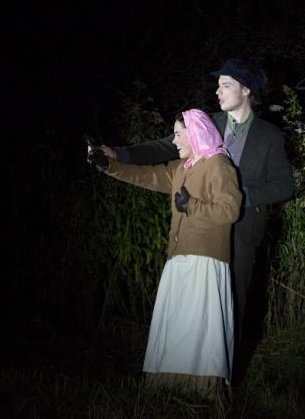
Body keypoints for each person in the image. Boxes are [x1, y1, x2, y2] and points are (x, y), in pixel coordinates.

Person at [105, 58, 294, 372]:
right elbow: (167, 146)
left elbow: (284, 185)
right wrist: (120, 154)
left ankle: (225, 378)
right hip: (203, 232)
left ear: (247, 90)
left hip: (243, 231)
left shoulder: (270, 136)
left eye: (226, 85)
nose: (217, 91)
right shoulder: (209, 122)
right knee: (203, 308)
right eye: (217, 85)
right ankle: (191, 373)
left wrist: (238, 198)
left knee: (234, 305)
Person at [88, 109, 242, 396]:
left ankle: (205, 387)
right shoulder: (181, 168)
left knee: (201, 326)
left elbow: (230, 210)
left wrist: (193, 206)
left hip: (206, 260)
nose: (175, 140)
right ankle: (171, 385)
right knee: (178, 323)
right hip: (179, 255)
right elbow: (146, 176)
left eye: (179, 133)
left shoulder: (219, 164)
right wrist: (108, 165)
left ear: (195, 133)